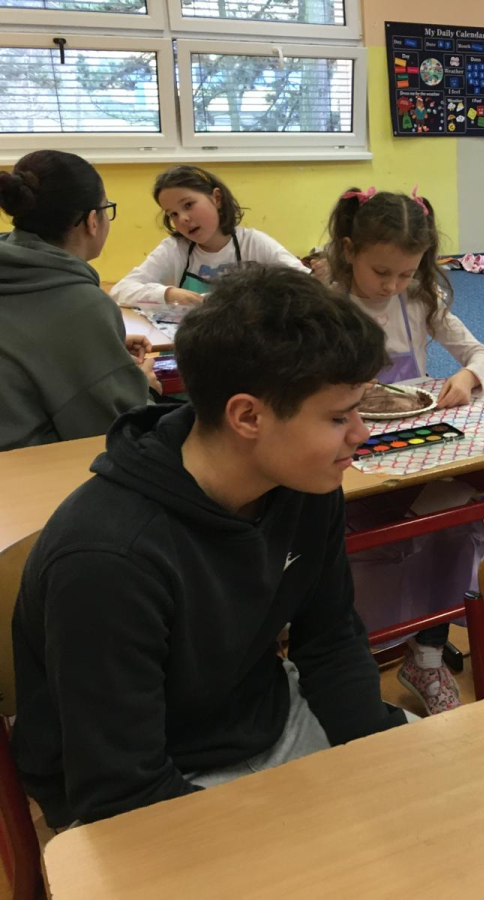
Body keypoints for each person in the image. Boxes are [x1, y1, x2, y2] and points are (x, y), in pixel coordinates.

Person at [12, 264, 410, 828]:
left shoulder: (305, 483)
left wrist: (378, 758)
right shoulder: (108, 559)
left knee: (436, 804)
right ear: (247, 416)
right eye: (339, 416)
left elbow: (331, 640)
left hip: (266, 720)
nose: (361, 434)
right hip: (139, 788)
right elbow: (120, 793)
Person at [326, 185, 484, 715]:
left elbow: (481, 354)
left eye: (405, 273)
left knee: (457, 516)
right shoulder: (326, 300)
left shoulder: (420, 298)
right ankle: (353, 652)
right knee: (370, 542)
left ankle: (426, 655)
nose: (393, 285)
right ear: (349, 249)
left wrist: (468, 377)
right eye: (381, 272)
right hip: (347, 450)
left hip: (414, 447)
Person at [0, 150, 155, 450]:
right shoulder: (84, 304)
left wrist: (104, 348)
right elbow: (118, 428)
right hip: (28, 465)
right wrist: (140, 383)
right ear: (91, 221)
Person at [111, 165, 310, 309]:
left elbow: (306, 284)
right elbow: (121, 291)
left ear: (217, 198)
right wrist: (169, 294)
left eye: (188, 205)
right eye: (173, 214)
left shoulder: (253, 243)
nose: (183, 218)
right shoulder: (175, 248)